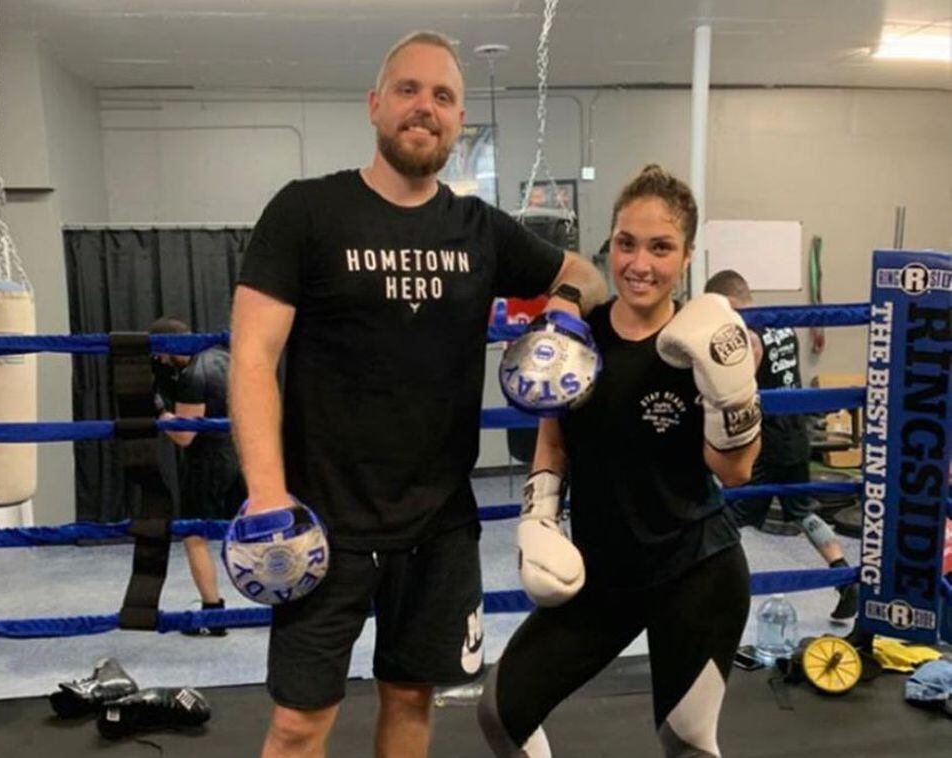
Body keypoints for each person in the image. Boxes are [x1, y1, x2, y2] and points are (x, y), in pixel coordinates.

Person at [229, 30, 607, 758]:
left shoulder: (479, 229)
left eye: (443, 96)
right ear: (375, 104)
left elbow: (585, 275)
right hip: (323, 521)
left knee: (411, 700)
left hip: (438, 525)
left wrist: (561, 307)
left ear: (460, 119)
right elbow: (252, 356)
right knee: (298, 723)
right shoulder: (307, 211)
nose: (424, 107)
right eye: (408, 90)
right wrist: (267, 493)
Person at [478, 165, 760, 758]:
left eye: (661, 248)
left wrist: (733, 392)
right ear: (610, 243)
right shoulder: (579, 337)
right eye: (627, 244)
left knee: (686, 743)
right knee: (502, 712)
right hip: (604, 573)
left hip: (696, 570)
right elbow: (554, 441)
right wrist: (539, 515)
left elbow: (734, 472)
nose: (639, 264)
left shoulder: (705, 342)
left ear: (686, 256)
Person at [703, 269, 859, 622]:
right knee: (802, 511)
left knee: (726, 515)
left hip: (765, 441)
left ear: (727, 302)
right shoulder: (782, 325)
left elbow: (739, 388)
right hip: (795, 434)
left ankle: (717, 592)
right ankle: (844, 578)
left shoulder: (747, 335)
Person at [149, 316, 246, 636]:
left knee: (194, 536)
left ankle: (213, 613)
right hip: (240, 455)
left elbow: (184, 436)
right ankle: (290, 603)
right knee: (254, 531)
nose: (158, 359)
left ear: (167, 347)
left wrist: (161, 412)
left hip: (207, 462)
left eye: (159, 352)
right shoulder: (221, 355)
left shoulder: (192, 376)